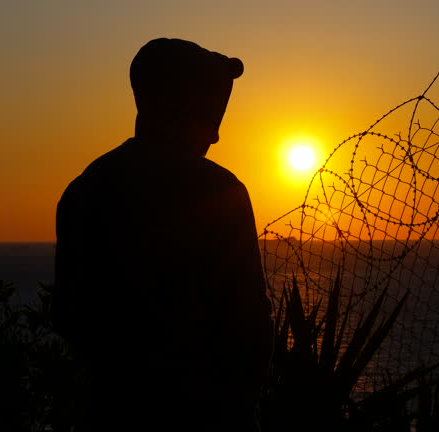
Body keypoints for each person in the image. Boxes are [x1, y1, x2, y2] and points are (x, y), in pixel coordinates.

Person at [52, 38, 274, 431]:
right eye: (211, 106)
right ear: (181, 103)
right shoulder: (218, 191)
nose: (217, 132)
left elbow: (71, 318)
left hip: (112, 410)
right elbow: (250, 319)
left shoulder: (85, 188)